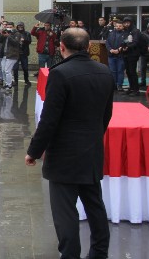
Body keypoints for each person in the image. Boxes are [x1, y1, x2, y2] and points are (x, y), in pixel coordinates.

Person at [25, 28, 113, 259]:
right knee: (95, 205)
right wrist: (94, 137)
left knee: (65, 211)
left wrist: (34, 151)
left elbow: (49, 119)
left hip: (64, 154)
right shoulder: (104, 71)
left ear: (61, 47)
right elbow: (106, 114)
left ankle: (70, 254)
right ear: (87, 47)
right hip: (92, 150)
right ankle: (99, 252)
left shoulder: (61, 74)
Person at [120, 16, 143, 96]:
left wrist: (127, 47)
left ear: (131, 23)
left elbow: (135, 42)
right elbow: (124, 41)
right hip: (126, 54)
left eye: (128, 22)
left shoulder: (135, 31)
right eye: (125, 23)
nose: (126, 24)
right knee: (128, 72)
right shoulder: (125, 31)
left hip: (133, 54)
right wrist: (122, 46)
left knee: (132, 71)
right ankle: (131, 87)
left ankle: (136, 90)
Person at [0, 22, 21, 90]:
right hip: (4, 55)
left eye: (10, 27)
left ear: (13, 27)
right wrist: (3, 34)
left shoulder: (17, 34)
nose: (9, 28)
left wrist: (9, 35)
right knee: (3, 70)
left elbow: (16, 43)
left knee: (7, 71)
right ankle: (6, 83)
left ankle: (9, 85)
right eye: (8, 27)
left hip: (12, 55)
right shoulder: (6, 33)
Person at [105, 19, 125, 91]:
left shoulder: (125, 34)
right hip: (111, 55)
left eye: (120, 26)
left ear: (123, 27)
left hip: (121, 55)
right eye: (117, 26)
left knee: (120, 70)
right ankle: (113, 85)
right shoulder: (111, 33)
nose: (118, 27)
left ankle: (119, 85)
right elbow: (107, 42)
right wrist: (111, 50)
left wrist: (118, 50)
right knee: (112, 71)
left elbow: (125, 43)